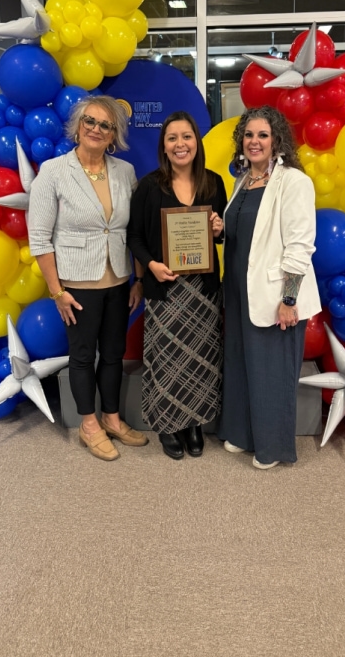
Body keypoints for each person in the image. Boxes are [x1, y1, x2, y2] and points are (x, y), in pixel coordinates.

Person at [28, 95, 148, 462]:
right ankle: (88, 424)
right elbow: (39, 238)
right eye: (90, 122)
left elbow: (134, 232)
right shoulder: (53, 171)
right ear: (78, 127)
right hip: (76, 285)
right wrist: (57, 291)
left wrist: (139, 279)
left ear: (114, 135)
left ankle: (111, 417)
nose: (96, 129)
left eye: (105, 125)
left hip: (118, 280)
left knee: (113, 354)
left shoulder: (125, 172)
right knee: (82, 356)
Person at [218, 105, 321, 469]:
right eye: (248, 135)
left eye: (263, 135)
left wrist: (289, 299)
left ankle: (272, 448)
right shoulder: (242, 180)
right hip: (238, 290)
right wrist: (219, 229)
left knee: (271, 372)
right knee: (243, 365)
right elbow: (244, 232)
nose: (254, 141)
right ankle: (243, 435)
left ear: (277, 139)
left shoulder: (293, 181)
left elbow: (300, 245)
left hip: (277, 294)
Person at [127, 111, 227, 460]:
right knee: (167, 359)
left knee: (202, 360)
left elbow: (224, 233)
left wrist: (218, 230)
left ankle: (195, 423)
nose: (180, 144)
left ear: (196, 142)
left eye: (186, 137)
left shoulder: (213, 183)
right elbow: (134, 236)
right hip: (165, 288)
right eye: (172, 138)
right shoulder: (149, 185)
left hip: (203, 291)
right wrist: (150, 265)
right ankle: (169, 424)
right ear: (164, 146)